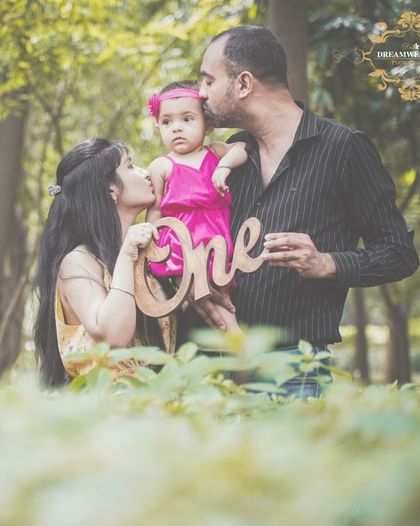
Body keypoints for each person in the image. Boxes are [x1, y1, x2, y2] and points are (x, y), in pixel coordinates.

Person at [196, 25, 419, 397]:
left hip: (295, 371)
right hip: (216, 365)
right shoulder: (229, 155)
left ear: (244, 83)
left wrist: (326, 263)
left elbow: (399, 254)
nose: (200, 93)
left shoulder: (344, 148)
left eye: (208, 80)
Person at [34, 138, 176, 387]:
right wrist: (127, 255)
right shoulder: (77, 262)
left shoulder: (150, 259)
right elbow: (113, 336)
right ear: (111, 189)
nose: (145, 173)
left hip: (154, 410)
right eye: (130, 166)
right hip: (105, 413)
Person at [145, 80, 248, 331]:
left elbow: (243, 147)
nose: (176, 129)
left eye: (187, 119)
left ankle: (232, 354)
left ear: (208, 124)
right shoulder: (162, 166)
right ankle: (240, 352)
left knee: (218, 299)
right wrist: (154, 250)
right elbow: (156, 211)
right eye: (167, 122)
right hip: (184, 244)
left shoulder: (215, 152)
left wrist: (224, 167)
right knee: (194, 308)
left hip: (217, 239)